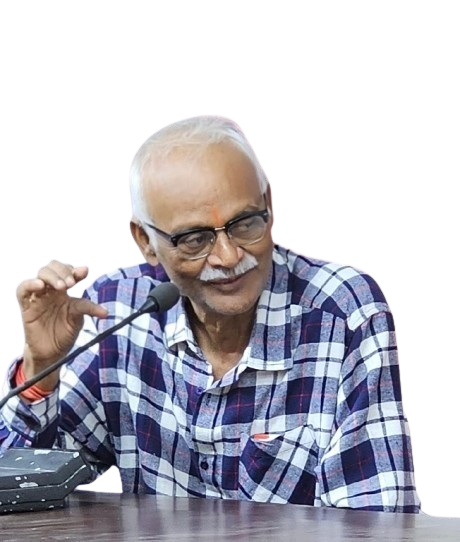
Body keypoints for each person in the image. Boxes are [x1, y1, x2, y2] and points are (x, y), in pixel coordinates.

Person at [0, 114, 420, 513]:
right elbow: (22, 490)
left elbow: (377, 522)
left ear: (269, 204)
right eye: (195, 238)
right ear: (145, 241)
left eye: (245, 223)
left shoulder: (342, 311)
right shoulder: (117, 307)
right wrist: (40, 370)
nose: (228, 256)